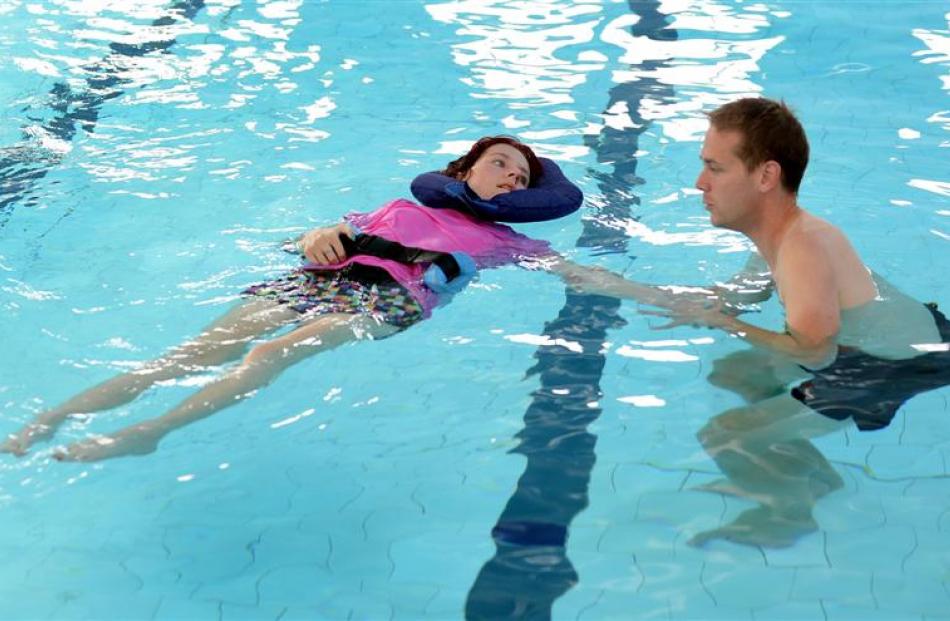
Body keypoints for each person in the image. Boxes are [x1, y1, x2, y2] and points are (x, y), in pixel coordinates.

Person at [0, 135, 647, 463]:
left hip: (390, 304)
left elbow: (588, 278)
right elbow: (303, 239)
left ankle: (148, 433)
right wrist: (314, 234)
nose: (511, 174)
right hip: (321, 278)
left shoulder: (507, 242)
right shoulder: (396, 206)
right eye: (502, 161)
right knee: (190, 352)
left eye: (523, 176)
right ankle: (45, 421)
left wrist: (686, 304)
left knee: (269, 354)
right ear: (464, 170)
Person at [640, 98, 949, 547]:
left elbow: (814, 351)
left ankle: (789, 513)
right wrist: (613, 286)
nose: (699, 183)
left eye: (716, 168)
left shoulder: (802, 246)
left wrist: (725, 323)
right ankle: (810, 477)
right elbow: (725, 300)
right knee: (738, 371)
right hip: (899, 337)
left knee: (727, 435)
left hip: (897, 363)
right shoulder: (775, 241)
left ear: (766, 176)